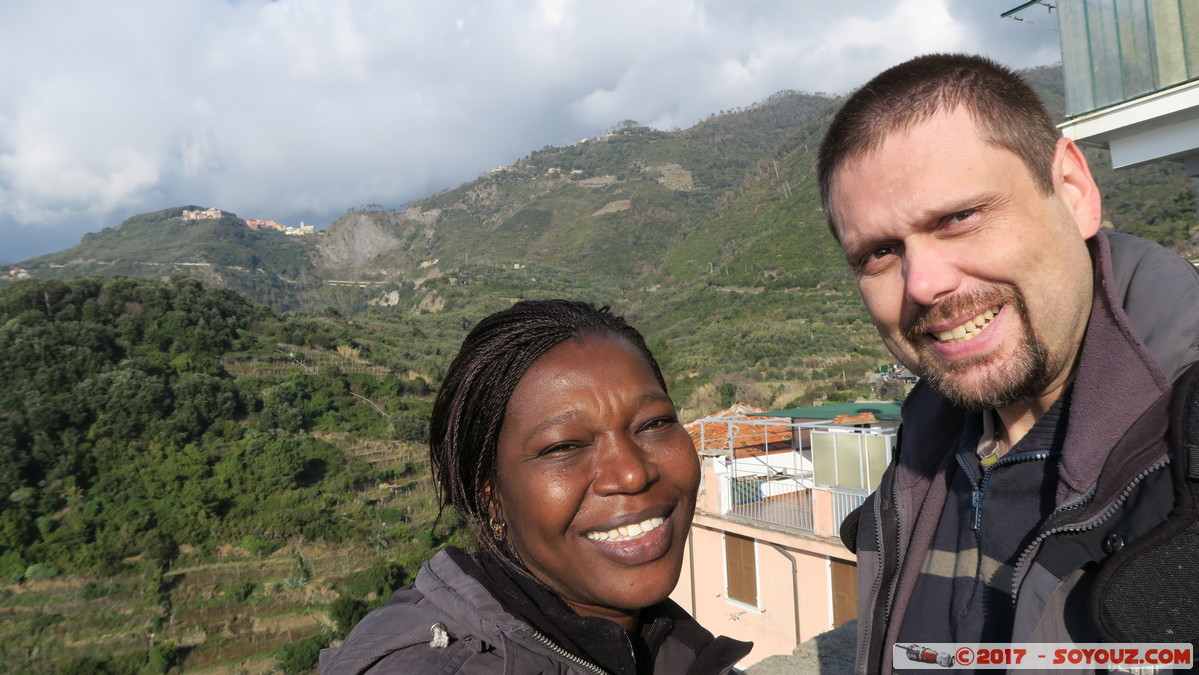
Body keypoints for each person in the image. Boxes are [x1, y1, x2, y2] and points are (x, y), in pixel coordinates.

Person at [816, 53, 1199, 672]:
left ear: (1073, 192)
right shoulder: (927, 455)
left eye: (960, 217)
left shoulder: (1183, 448)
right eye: (880, 253)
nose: (924, 284)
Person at [321, 299, 752, 674]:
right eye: (564, 447)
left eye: (655, 424)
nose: (632, 474)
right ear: (490, 495)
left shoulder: (671, 648)